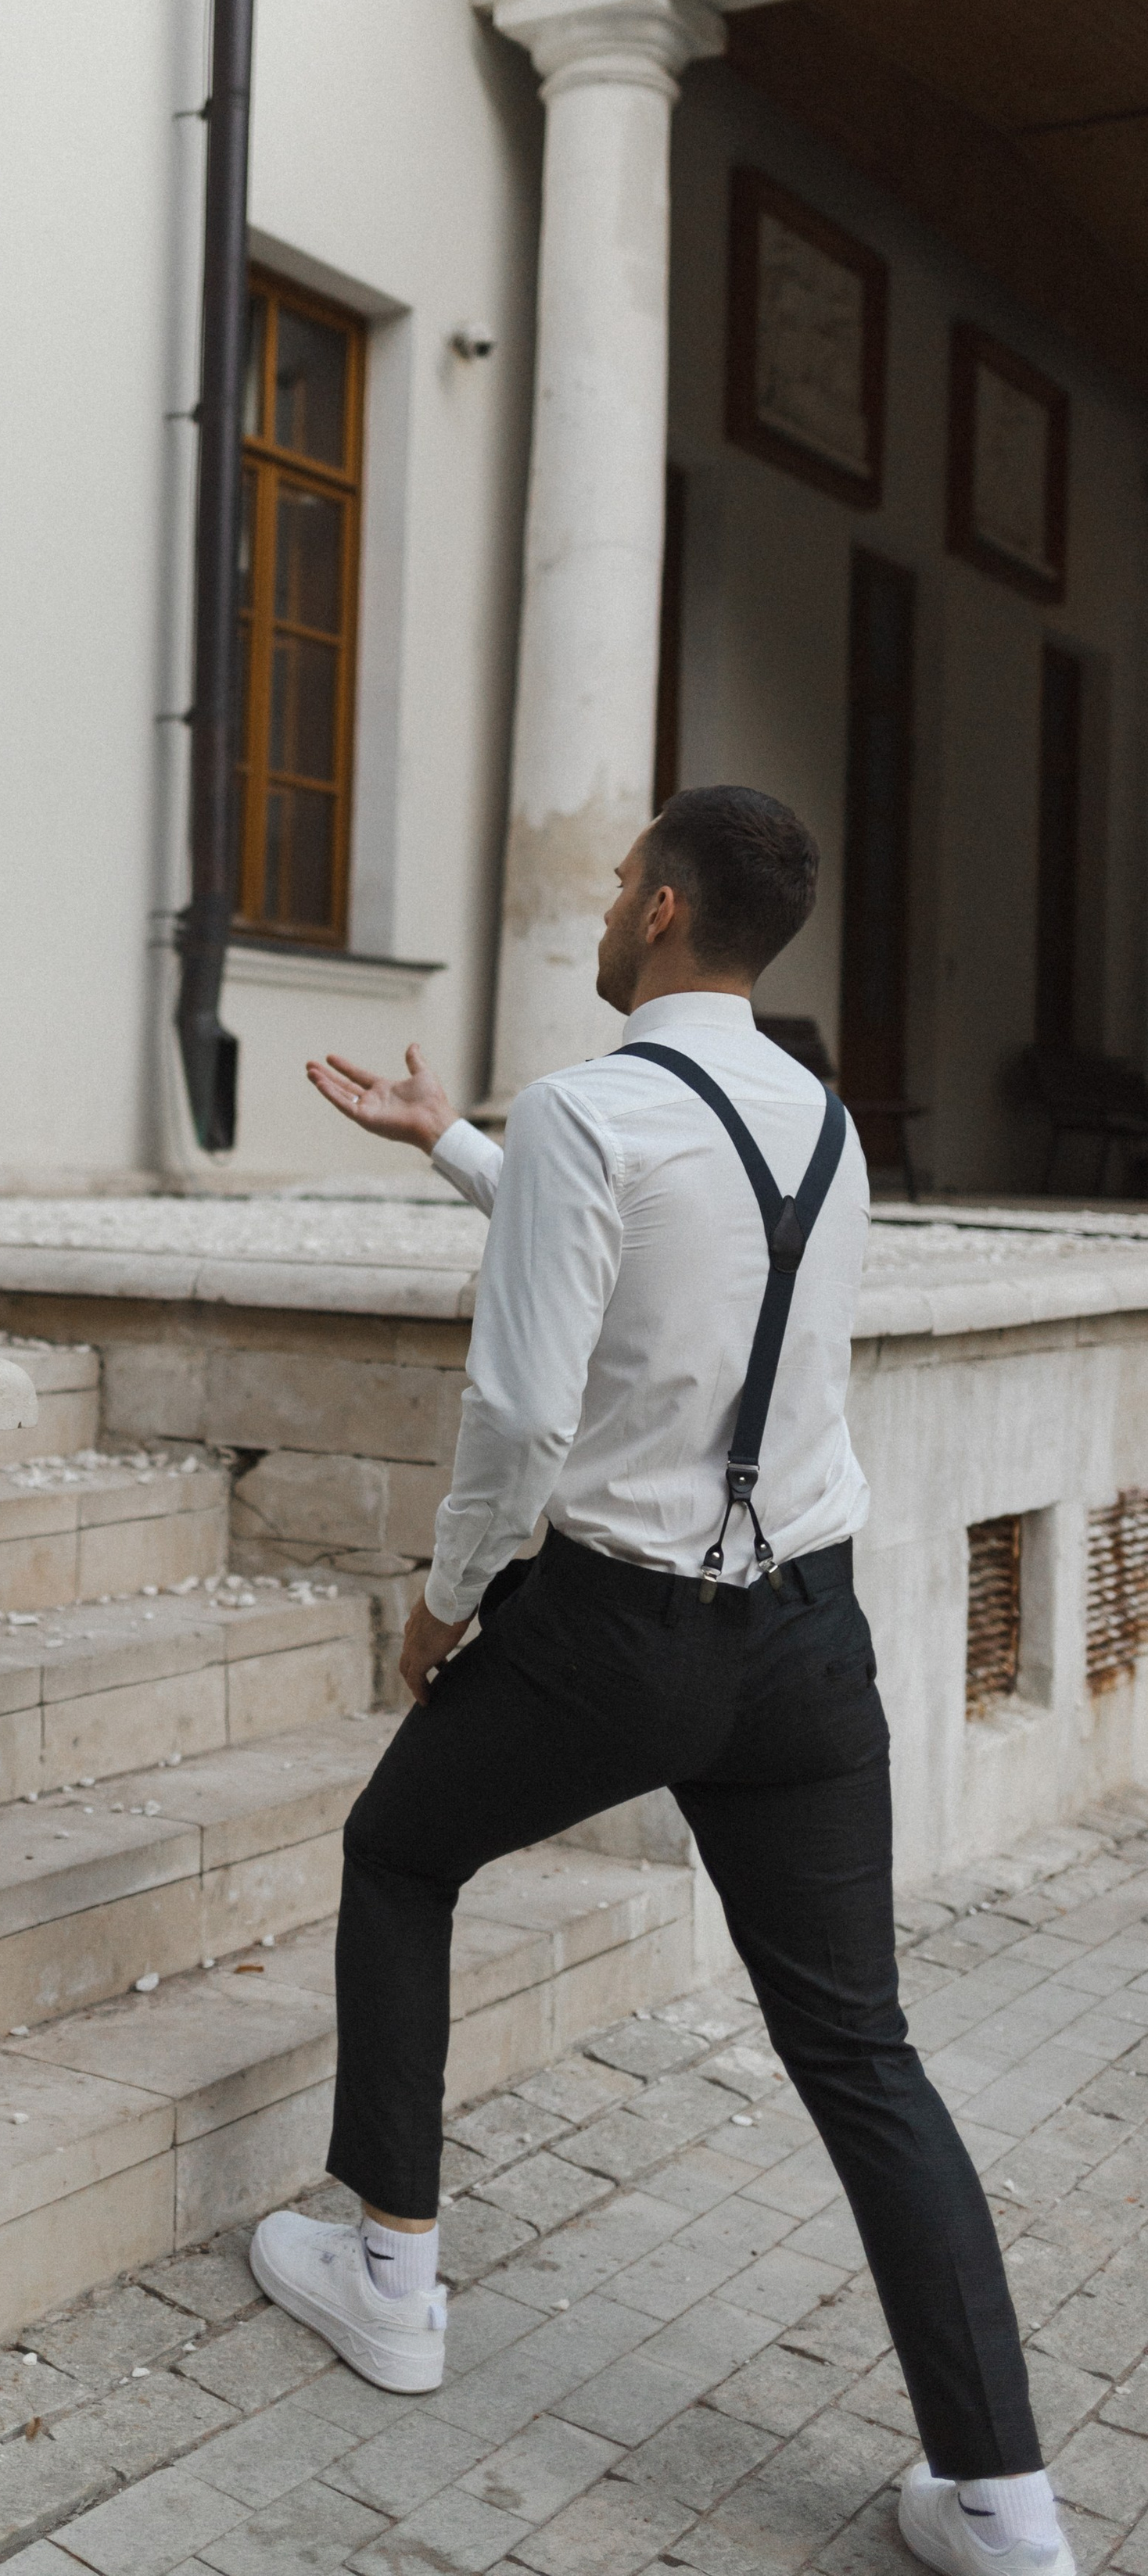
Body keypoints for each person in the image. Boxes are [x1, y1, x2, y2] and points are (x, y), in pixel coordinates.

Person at [249, 786, 1068, 2576]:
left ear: (664, 905)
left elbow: (525, 1404)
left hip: (614, 1635)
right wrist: (451, 1143)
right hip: (804, 1639)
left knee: (398, 1858)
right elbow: (691, 1264)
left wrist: (446, 1602)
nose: (603, 906)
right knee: (861, 2050)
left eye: (620, 884)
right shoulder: (819, 1123)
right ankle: (1001, 2497)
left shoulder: (589, 1109)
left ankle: (389, 2274)